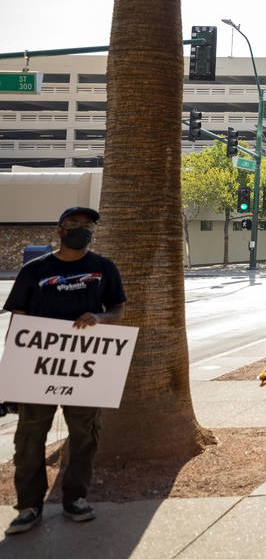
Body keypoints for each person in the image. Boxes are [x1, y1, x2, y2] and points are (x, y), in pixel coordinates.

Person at [3, 206, 126, 535]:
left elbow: (117, 308)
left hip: (83, 370)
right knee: (29, 439)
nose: (82, 230)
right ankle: (29, 506)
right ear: (59, 230)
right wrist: (12, 375)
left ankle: (76, 499)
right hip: (38, 370)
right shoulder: (34, 271)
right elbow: (18, 320)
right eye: (74, 224)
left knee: (85, 437)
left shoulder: (103, 268)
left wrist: (100, 318)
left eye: (87, 226)